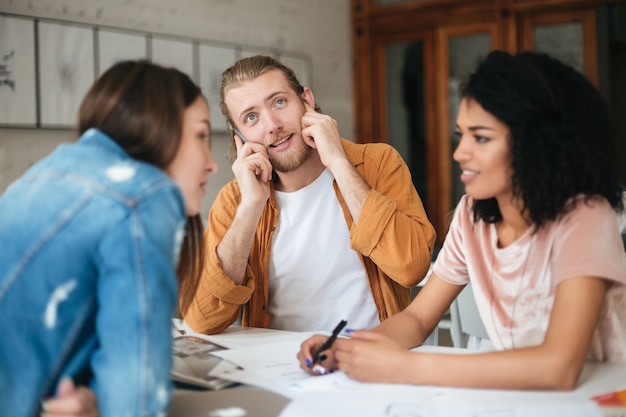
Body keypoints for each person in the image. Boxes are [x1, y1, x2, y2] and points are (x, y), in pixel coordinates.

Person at [297, 50, 626, 390]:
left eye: (480, 138)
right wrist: (350, 348)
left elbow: (559, 367)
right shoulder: (472, 215)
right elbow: (417, 317)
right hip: (524, 399)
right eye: (461, 135)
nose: (459, 153)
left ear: (539, 144)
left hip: (602, 399)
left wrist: (407, 366)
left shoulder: (585, 216)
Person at [0, 60, 218, 416]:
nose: (212, 163)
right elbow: (136, 401)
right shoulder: (142, 196)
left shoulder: (39, 176)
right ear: (157, 126)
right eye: (201, 136)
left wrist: (95, 399)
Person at [182, 55, 436, 334]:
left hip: (370, 361)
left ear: (307, 101)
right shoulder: (235, 200)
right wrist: (250, 207)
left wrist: (339, 163)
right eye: (251, 117)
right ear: (239, 136)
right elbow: (201, 319)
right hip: (277, 369)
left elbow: (412, 268)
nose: (272, 125)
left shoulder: (378, 163)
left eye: (279, 102)